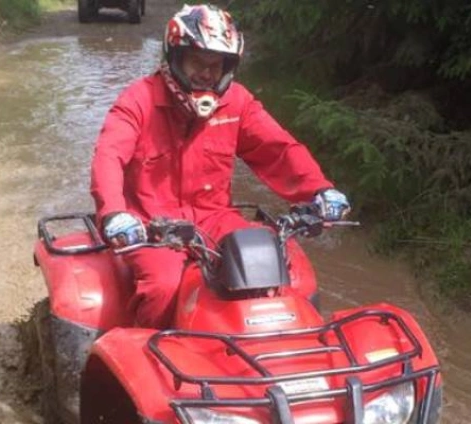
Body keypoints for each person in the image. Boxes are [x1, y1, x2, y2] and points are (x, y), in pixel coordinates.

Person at [89, 4, 350, 329]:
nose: (207, 73)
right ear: (175, 57)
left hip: (214, 218)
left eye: (217, 65)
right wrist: (115, 212)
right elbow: (109, 156)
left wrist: (320, 189)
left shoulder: (237, 102)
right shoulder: (138, 100)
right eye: (198, 62)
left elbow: (279, 149)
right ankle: (153, 361)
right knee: (164, 287)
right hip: (150, 225)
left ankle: (263, 360)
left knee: (274, 263)